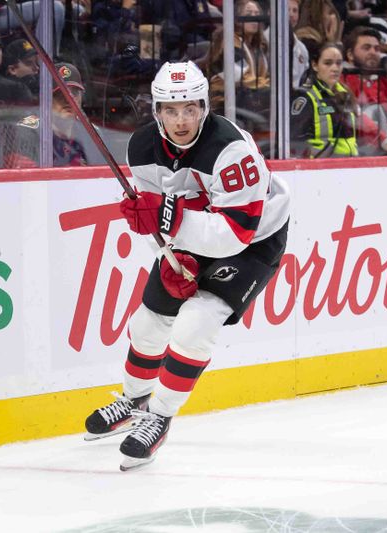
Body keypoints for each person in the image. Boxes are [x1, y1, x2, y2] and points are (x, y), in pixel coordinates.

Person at [83, 61, 290, 471]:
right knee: (148, 322)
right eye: (171, 110)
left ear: (205, 107)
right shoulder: (140, 148)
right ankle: (134, 398)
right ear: (157, 111)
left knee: (196, 323)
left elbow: (235, 234)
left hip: (254, 240)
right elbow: (155, 219)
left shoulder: (232, 150)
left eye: (191, 109)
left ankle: (158, 417)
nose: (182, 120)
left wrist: (171, 223)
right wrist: (171, 254)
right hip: (193, 236)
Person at [2, 62, 97, 167]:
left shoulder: (91, 132)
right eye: (60, 94)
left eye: (74, 94)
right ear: (45, 99)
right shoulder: (26, 131)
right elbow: (23, 178)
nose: (68, 100)